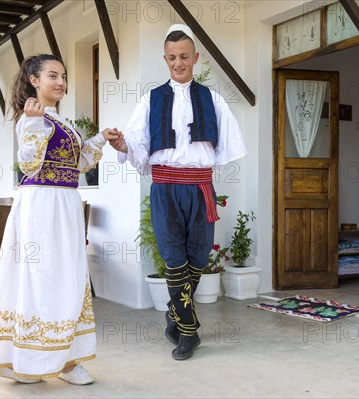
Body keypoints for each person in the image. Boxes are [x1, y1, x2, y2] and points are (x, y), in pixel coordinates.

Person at [105, 24, 246, 360]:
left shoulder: (213, 99)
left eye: (184, 57)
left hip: (199, 187)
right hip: (165, 188)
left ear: (195, 57)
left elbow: (226, 146)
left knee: (197, 258)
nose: (178, 63)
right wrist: (121, 143)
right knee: (173, 257)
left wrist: (207, 171)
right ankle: (188, 331)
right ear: (165, 59)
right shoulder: (150, 99)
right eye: (172, 58)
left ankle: (175, 312)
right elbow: (136, 143)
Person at [0, 54, 116, 384]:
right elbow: (28, 164)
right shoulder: (31, 117)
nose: (61, 82)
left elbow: (76, 165)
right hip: (41, 204)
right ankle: (29, 358)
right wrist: (33, 123)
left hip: (65, 203)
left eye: (64, 76)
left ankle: (65, 359)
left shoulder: (61, 121)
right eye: (53, 76)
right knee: (41, 276)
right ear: (34, 80)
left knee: (68, 275)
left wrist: (99, 139)